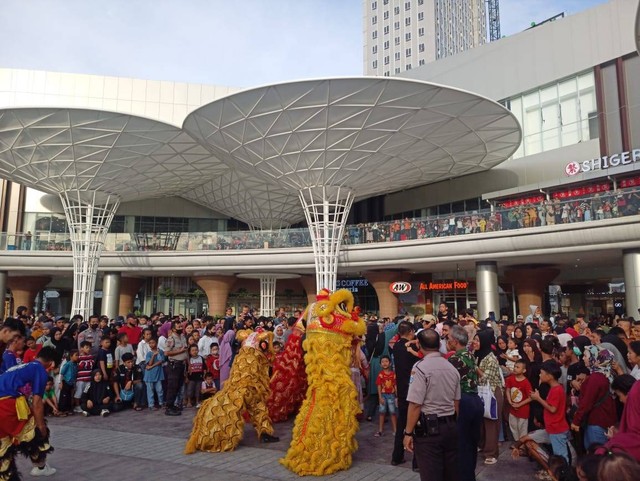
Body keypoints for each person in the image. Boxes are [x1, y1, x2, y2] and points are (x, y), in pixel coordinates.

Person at [403, 329, 460, 481]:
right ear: (439, 344)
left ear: (419, 346)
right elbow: (456, 403)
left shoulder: (420, 368)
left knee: (431, 474)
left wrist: (408, 433)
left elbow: (415, 404)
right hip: (450, 426)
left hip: (430, 431)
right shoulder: (452, 368)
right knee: (451, 474)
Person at [0, 346, 60, 479]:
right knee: (34, 433)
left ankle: (5, 477)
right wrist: (41, 426)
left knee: (3, 444)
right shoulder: (40, 370)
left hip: (5, 403)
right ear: (52, 363)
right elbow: (37, 402)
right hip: (7, 405)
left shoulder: (23, 366)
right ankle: (40, 467)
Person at [447, 325, 483, 481]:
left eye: (448, 339)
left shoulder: (453, 359)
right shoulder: (470, 354)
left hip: (463, 401)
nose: (447, 341)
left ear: (455, 341)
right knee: (471, 444)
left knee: (461, 444)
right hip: (476, 400)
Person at [530, 361, 571, 463]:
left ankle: (563, 475)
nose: (540, 375)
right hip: (553, 427)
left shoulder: (556, 390)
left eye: (542, 373)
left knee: (561, 456)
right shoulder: (555, 388)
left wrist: (538, 398)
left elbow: (552, 409)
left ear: (549, 376)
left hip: (557, 428)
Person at [391, 320, 419, 468]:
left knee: (402, 423)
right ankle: (417, 462)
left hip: (401, 390)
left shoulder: (396, 346)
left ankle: (397, 456)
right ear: (410, 332)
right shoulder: (412, 347)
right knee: (416, 425)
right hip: (414, 389)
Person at [474, 329, 504, 465]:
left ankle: (491, 453)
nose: (475, 342)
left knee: (491, 424)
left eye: (477, 340)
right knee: (481, 423)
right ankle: (483, 445)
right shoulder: (477, 355)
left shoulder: (491, 358)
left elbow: (487, 378)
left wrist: (475, 368)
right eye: (474, 339)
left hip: (492, 393)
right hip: (480, 393)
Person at [164, 320, 188, 415]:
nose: (180, 328)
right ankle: (168, 407)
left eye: (181, 327)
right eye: (178, 327)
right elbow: (167, 352)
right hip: (174, 365)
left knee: (178, 386)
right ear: (173, 329)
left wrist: (188, 364)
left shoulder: (182, 337)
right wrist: (180, 351)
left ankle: (173, 405)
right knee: (172, 386)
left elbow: (186, 351)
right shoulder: (171, 339)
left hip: (182, 364)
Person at [505, 359, 533, 443]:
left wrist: (519, 404)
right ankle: (517, 443)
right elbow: (508, 390)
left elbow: (530, 397)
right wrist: (510, 401)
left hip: (523, 410)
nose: (515, 368)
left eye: (517, 367)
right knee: (513, 426)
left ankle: (523, 445)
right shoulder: (511, 379)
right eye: (514, 366)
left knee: (522, 428)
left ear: (524, 370)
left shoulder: (526, 382)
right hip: (513, 409)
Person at [375, 355, 397, 437]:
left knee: (393, 413)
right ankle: (380, 430)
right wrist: (380, 397)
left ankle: (395, 431)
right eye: (382, 362)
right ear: (380, 364)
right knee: (381, 413)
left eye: (386, 361)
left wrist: (397, 396)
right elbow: (379, 386)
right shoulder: (380, 375)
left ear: (390, 363)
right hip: (383, 396)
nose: (384, 363)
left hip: (391, 395)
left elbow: (395, 386)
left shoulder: (393, 374)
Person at [73, 341, 95, 413]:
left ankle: (86, 405)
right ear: (81, 348)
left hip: (88, 378)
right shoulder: (78, 358)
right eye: (86, 347)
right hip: (80, 379)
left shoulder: (91, 357)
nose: (88, 349)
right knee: (79, 392)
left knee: (87, 392)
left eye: (89, 347)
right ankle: (77, 406)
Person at [144, 337, 165, 411]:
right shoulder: (149, 354)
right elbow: (149, 363)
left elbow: (161, 361)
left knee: (160, 390)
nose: (151, 344)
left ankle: (161, 403)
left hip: (158, 373)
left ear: (156, 343)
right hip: (149, 375)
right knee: (150, 390)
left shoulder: (161, 352)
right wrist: (153, 355)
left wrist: (152, 366)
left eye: (153, 342)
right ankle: (151, 404)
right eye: (150, 343)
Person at [58, 349, 78, 414]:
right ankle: (62, 410)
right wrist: (60, 382)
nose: (77, 357)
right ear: (71, 356)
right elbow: (61, 373)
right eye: (76, 355)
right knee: (64, 396)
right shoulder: (67, 364)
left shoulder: (75, 364)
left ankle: (68, 409)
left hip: (71, 383)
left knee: (69, 396)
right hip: (66, 382)